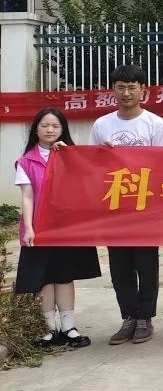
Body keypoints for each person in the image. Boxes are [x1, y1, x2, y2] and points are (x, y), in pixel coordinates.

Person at [87, 65, 163, 345]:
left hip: (145, 206)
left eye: (132, 87)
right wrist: (102, 156)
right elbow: (90, 164)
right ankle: (128, 317)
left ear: (143, 90)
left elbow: (161, 165)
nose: (126, 92)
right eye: (121, 87)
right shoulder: (102, 125)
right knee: (120, 265)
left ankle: (145, 317)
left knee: (146, 264)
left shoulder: (155, 124)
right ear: (113, 90)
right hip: (114, 205)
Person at [14, 107, 101, 349]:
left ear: (63, 130)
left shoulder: (71, 157)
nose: (50, 130)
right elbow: (27, 196)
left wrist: (69, 157)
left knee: (64, 277)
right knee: (44, 279)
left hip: (66, 228)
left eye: (55, 126)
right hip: (39, 230)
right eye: (44, 125)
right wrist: (29, 228)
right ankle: (49, 329)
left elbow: (89, 180)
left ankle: (69, 327)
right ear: (36, 130)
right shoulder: (26, 161)